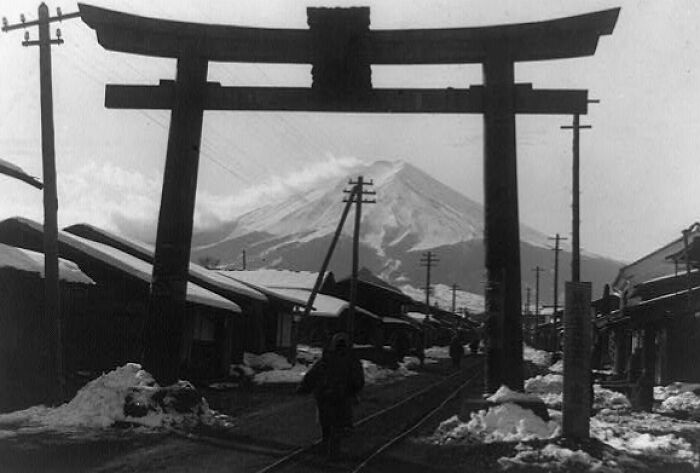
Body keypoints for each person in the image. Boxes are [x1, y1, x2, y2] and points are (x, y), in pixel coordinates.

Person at [297, 332, 365, 458]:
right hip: (341, 396)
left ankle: (326, 444)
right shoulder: (351, 359)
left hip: (325, 396)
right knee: (340, 422)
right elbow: (358, 379)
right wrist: (354, 390)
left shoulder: (327, 358)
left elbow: (313, 374)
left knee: (326, 423)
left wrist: (304, 387)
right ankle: (335, 444)